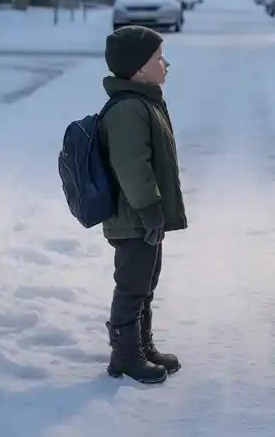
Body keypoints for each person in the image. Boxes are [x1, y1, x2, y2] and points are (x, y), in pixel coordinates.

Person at [100, 26, 188, 385]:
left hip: (143, 216)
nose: (166, 64)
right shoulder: (128, 109)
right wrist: (150, 210)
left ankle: (141, 345)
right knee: (132, 286)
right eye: (159, 58)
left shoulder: (144, 101)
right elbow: (133, 167)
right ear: (138, 69)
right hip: (133, 217)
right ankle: (124, 355)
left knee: (146, 283)